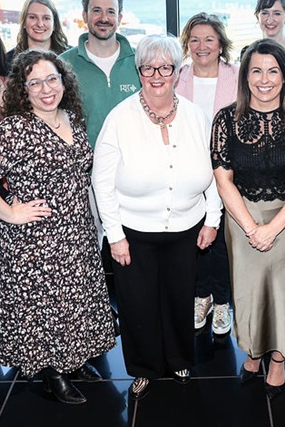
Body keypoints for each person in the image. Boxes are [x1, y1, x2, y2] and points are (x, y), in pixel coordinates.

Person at [0, 49, 116, 405]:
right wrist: (10, 213)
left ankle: (72, 361)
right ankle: (53, 374)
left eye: (51, 79)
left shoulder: (70, 118)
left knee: (74, 302)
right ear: (23, 89)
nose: (45, 88)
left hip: (76, 233)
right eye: (35, 82)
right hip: (36, 240)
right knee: (46, 308)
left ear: (64, 81)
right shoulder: (17, 127)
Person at [93, 34, 221, 401]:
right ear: (139, 72)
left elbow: (214, 172)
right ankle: (145, 368)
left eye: (165, 67)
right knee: (137, 304)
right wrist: (114, 235)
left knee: (179, 298)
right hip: (134, 233)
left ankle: (180, 359)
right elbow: (102, 182)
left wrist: (212, 218)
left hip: (187, 227)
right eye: (148, 68)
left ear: (178, 72)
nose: (157, 75)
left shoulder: (197, 117)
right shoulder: (120, 118)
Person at [211, 38, 285, 399]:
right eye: (256, 70)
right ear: (244, 77)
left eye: (273, 71)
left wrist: (272, 229)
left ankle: (278, 358)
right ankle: (254, 352)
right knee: (250, 291)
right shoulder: (225, 119)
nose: (264, 79)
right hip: (242, 217)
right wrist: (250, 227)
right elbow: (223, 181)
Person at [176, 12, 238, 335]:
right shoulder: (177, 77)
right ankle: (201, 296)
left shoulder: (237, 76)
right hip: (188, 173)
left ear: (220, 44)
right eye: (195, 39)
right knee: (194, 239)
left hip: (229, 174)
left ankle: (224, 301)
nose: (202, 46)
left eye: (209, 39)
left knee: (222, 242)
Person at [60, 0, 141, 145]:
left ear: (119, 17)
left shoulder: (141, 60)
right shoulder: (63, 65)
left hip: (134, 166)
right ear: (85, 15)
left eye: (111, 12)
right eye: (97, 10)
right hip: (85, 168)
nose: (104, 18)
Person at [5, 0, 70, 67]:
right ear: (24, 23)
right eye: (33, 17)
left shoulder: (71, 56)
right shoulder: (8, 61)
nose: (40, 24)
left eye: (46, 18)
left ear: (54, 24)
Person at [240, 0, 285, 68]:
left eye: (277, 14)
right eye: (265, 13)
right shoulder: (247, 52)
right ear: (257, 16)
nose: (270, 20)